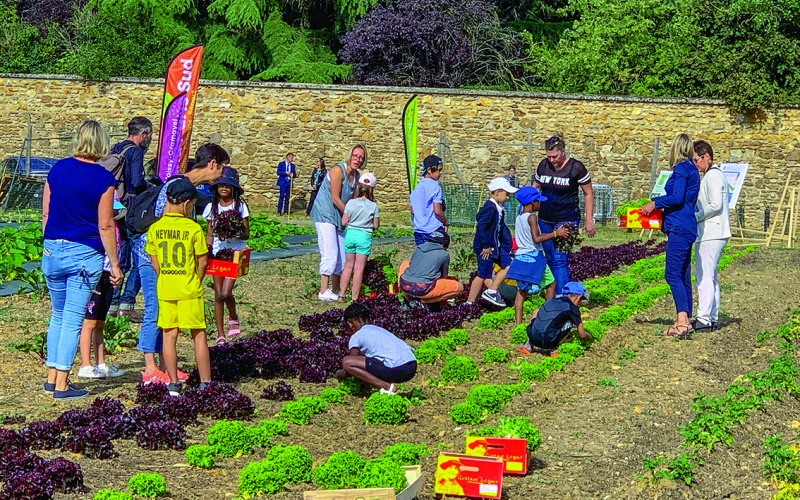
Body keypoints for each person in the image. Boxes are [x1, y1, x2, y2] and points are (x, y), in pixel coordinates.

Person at [129, 143, 227, 384]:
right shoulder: (176, 188)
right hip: (152, 255)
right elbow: (165, 225)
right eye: (222, 168)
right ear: (212, 164)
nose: (221, 175)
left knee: (166, 318)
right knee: (155, 309)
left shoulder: (185, 187)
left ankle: (165, 366)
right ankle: (150, 366)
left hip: (162, 258)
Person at [41, 120, 124, 400]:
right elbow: (105, 225)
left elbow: (45, 214)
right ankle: (63, 384)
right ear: (102, 142)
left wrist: (49, 244)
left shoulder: (57, 169)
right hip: (83, 253)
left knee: (58, 315)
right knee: (73, 319)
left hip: (53, 248)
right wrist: (114, 263)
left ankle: (52, 377)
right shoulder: (103, 179)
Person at [146, 178, 212, 396]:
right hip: (189, 287)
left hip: (166, 287)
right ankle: (205, 381)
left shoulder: (155, 228)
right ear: (186, 204)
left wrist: (165, 276)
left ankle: (173, 382)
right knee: (198, 334)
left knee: (169, 334)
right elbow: (202, 261)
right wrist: (197, 279)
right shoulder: (193, 228)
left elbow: (154, 260)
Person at [640, 134, 701, 338]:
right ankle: (685, 318)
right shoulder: (692, 169)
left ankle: (682, 322)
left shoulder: (682, 168)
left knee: (672, 273)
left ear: (676, 148)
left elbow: (677, 197)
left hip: (680, 226)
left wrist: (654, 203)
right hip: (687, 226)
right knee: (683, 273)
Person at [532, 132, 595, 295]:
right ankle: (550, 293)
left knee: (560, 259)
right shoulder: (543, 165)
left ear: (563, 151)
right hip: (545, 219)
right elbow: (535, 187)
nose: (552, 160)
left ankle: (562, 297)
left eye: (555, 156)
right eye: (549, 156)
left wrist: (589, 220)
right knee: (549, 257)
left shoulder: (576, 168)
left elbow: (588, 193)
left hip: (567, 219)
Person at [108, 117, 153, 320]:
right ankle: (127, 303)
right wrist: (151, 188)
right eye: (149, 136)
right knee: (140, 256)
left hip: (113, 209)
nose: (149, 140)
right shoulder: (134, 152)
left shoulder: (115, 148)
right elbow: (136, 181)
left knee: (119, 257)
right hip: (130, 211)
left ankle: (112, 303)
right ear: (143, 134)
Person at [309, 144, 366, 302]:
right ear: (350, 155)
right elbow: (335, 198)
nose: (358, 159)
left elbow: (354, 200)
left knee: (343, 256)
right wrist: (350, 215)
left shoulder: (356, 177)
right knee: (330, 253)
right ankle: (323, 290)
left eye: (361, 157)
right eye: (355, 156)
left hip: (339, 218)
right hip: (325, 214)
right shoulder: (337, 171)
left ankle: (335, 290)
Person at [507, 186, 567, 325]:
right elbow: (537, 238)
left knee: (521, 292)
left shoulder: (519, 217)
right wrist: (555, 234)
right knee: (551, 284)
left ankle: (518, 324)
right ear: (532, 202)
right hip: (534, 257)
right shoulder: (532, 217)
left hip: (520, 256)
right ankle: (547, 316)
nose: (540, 204)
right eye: (538, 201)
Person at [203, 168, 250, 344]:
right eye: (220, 185)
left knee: (226, 292)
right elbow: (209, 233)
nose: (224, 188)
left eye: (228, 185)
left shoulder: (240, 206)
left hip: (235, 253)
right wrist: (206, 250)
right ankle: (220, 334)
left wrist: (234, 230)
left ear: (233, 188)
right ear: (216, 188)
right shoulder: (211, 207)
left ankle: (233, 315)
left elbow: (246, 234)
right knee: (217, 294)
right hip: (217, 253)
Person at [77, 218, 126, 379]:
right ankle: (85, 364)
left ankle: (101, 363)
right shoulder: (95, 226)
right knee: (89, 322)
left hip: (108, 274)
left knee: (100, 323)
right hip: (95, 274)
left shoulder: (114, 226)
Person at [336, 303, 417, 395]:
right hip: (412, 365)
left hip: (398, 369)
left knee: (347, 362)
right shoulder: (377, 329)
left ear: (351, 323)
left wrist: (340, 373)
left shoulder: (357, 335)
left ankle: (387, 387)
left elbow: (351, 363)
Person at [692, 140, 730, 332]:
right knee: (711, 276)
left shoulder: (712, 177)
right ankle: (712, 316)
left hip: (711, 232)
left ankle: (704, 318)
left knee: (704, 276)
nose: (696, 164)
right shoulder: (715, 175)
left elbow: (715, 205)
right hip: (716, 231)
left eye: (697, 160)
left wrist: (696, 216)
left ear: (707, 156)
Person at [466, 177, 518, 305]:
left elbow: (500, 229)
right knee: (483, 274)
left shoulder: (498, 208)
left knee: (508, 266)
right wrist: (485, 245)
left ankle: (493, 291)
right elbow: (481, 227)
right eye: (506, 194)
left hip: (496, 247)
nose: (507, 198)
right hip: (487, 248)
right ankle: (470, 302)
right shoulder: (490, 208)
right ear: (497, 192)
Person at [517, 282, 591, 355]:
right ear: (578, 298)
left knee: (537, 311)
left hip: (533, 338)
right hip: (549, 342)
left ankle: (528, 345)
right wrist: (589, 336)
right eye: (581, 300)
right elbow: (582, 334)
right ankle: (554, 348)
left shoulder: (552, 300)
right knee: (570, 321)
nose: (580, 303)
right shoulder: (573, 309)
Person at [338, 173, 380, 302]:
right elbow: (376, 225)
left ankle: (341, 295)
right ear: (372, 189)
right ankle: (355, 297)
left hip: (350, 235)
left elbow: (344, 222)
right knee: (358, 269)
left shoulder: (350, 203)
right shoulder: (373, 206)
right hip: (364, 236)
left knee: (348, 266)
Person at [398, 230, 464, 306]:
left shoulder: (418, 248)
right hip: (423, 289)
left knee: (405, 262)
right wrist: (443, 299)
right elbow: (444, 277)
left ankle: (408, 299)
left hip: (405, 286)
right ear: (444, 245)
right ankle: (422, 302)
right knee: (459, 288)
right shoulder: (444, 254)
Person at [410, 155, 449, 245]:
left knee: (423, 256)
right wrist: (446, 222)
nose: (440, 173)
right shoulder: (436, 187)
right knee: (435, 256)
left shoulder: (416, 188)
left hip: (419, 230)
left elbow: (413, 210)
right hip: (433, 229)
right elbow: (437, 211)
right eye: (439, 170)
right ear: (429, 170)